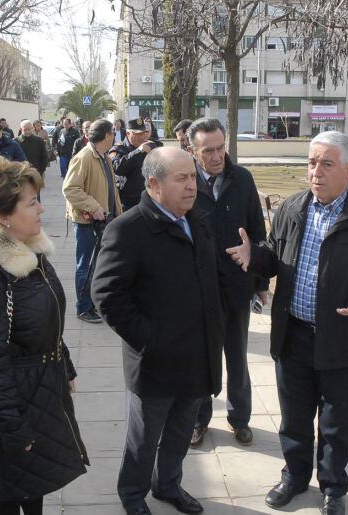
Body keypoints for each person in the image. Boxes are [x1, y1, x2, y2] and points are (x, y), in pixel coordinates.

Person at [226, 131, 348, 515]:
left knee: (335, 423)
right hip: (293, 335)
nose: (316, 172)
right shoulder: (293, 208)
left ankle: (333, 488)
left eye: (326, 164)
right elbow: (275, 255)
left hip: (344, 339)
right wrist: (253, 256)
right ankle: (293, 477)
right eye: (311, 163)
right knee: (293, 418)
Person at [92, 147, 224, 515]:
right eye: (181, 178)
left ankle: (168, 486)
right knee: (144, 439)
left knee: (181, 433)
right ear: (153, 184)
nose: (191, 185)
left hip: (197, 355)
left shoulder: (197, 220)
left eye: (193, 176)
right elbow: (106, 295)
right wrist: (149, 339)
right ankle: (133, 495)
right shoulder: (128, 229)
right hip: (155, 362)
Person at [0, 156, 89, 515]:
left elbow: (46, 316)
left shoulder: (28, 251)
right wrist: (12, 429)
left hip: (40, 389)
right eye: (31, 203)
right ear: (3, 217)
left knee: (35, 484)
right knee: (12, 489)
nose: (41, 209)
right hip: (13, 403)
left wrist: (65, 363)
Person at [186, 118, 268, 449]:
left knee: (237, 357)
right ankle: (198, 420)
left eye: (221, 148)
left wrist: (261, 281)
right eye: (208, 150)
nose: (217, 156)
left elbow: (258, 234)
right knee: (202, 359)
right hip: (198, 290)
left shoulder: (242, 180)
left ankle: (240, 419)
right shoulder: (186, 181)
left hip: (236, 286)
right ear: (192, 150)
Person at [62, 119, 121, 324]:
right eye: (112, 132)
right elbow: (70, 189)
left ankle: (94, 303)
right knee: (86, 265)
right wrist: (93, 206)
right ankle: (84, 307)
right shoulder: (84, 157)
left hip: (105, 219)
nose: (114, 135)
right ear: (106, 136)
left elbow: (112, 189)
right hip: (88, 222)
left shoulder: (103, 156)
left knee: (99, 264)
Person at [109, 118, 163, 211]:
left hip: (150, 199)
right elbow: (117, 168)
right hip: (128, 202)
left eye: (143, 133)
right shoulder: (118, 148)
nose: (141, 136)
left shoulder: (151, 146)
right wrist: (138, 151)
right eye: (137, 133)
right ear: (128, 133)